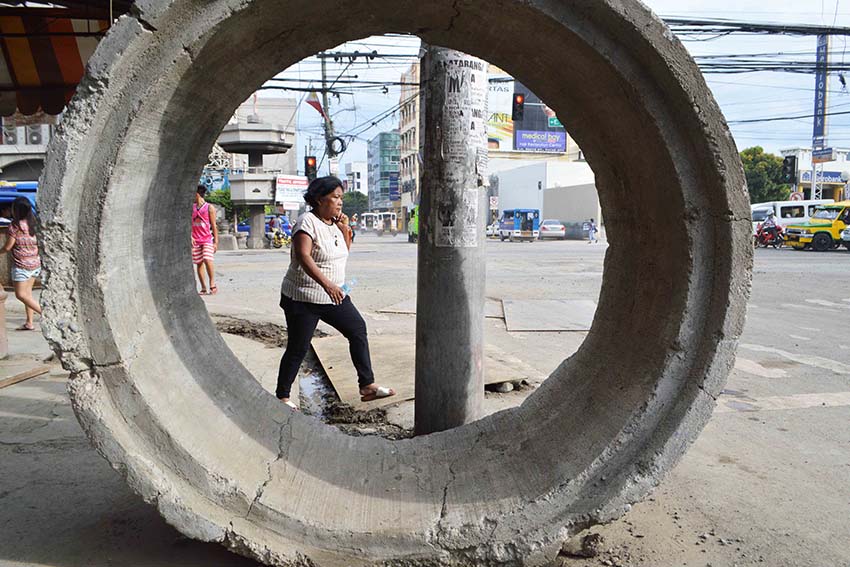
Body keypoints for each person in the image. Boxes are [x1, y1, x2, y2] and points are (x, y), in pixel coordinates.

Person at [277, 176, 394, 410]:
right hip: (303, 297)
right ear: (320, 199)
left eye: (341, 197)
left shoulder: (334, 224)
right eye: (335, 197)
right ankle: (282, 396)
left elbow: (343, 253)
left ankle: (367, 385)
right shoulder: (307, 222)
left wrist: (344, 229)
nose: (340, 202)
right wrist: (327, 285)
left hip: (334, 296)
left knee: (357, 329)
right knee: (299, 346)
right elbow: (303, 256)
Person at [0, 197, 42, 330]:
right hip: (35, 264)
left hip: (22, 266)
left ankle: (46, 315)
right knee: (28, 294)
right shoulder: (33, 223)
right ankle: (29, 322)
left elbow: (8, 247)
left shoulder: (15, 226)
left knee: (21, 295)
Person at [192, 185, 219, 295]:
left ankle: (212, 283)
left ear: (197, 194)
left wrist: (216, 242)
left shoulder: (209, 208)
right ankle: (203, 287)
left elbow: (214, 225)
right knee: (199, 263)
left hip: (207, 238)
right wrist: (191, 236)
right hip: (196, 239)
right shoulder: (191, 208)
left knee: (208, 259)